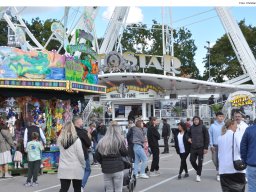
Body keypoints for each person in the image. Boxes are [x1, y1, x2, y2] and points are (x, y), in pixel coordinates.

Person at [95, 121, 128, 192]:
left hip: (106, 168)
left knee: (109, 189)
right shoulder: (119, 140)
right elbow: (125, 153)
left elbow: (97, 156)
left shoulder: (102, 141)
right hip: (118, 167)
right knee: (118, 189)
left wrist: (103, 162)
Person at [218, 119, 246, 192]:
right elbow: (242, 150)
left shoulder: (220, 137)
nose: (237, 127)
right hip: (236, 169)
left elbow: (219, 154)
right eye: (236, 125)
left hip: (223, 169)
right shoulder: (236, 135)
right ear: (231, 125)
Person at [58, 121, 85, 192]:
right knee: (77, 189)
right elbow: (80, 155)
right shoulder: (77, 140)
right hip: (75, 167)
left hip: (63, 167)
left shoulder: (60, 140)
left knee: (63, 189)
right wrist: (83, 164)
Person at [188, 116, 209, 182]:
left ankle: (198, 175)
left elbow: (207, 137)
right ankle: (198, 170)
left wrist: (206, 147)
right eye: (194, 120)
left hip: (201, 147)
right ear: (193, 121)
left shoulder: (203, 127)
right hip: (193, 147)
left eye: (197, 120)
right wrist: (188, 138)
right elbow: (187, 135)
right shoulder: (191, 128)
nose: (196, 121)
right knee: (192, 161)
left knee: (200, 162)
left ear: (199, 120)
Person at [73, 116, 91, 191]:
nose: (82, 122)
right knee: (87, 170)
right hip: (83, 154)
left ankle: (77, 187)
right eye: (81, 121)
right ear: (77, 122)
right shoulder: (82, 132)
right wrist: (89, 134)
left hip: (73, 154)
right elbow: (88, 143)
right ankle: (81, 185)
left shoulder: (71, 131)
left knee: (77, 171)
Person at [208, 111, 225, 181]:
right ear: (216, 117)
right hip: (215, 146)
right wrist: (211, 145)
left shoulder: (225, 125)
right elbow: (210, 136)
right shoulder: (212, 126)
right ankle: (219, 170)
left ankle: (219, 173)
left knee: (222, 160)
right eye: (219, 116)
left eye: (222, 116)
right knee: (214, 159)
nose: (221, 118)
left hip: (223, 146)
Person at [240, 123, 256, 192]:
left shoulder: (249, 130)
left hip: (251, 163)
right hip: (251, 162)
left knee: (252, 187)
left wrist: (244, 160)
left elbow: (243, 146)